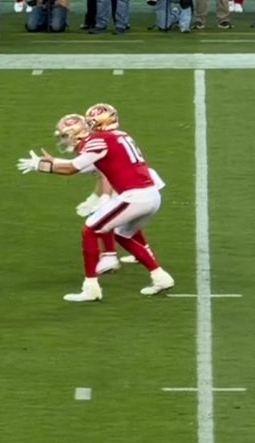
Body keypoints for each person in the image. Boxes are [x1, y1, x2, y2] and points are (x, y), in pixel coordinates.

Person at [17, 104, 174, 303]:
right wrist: (53, 162)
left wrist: (42, 166)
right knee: (123, 235)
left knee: (90, 230)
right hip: (150, 195)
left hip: (135, 197)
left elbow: (72, 169)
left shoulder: (99, 140)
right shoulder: (119, 135)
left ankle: (91, 287)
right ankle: (160, 277)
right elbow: (92, 165)